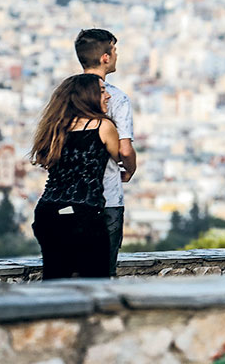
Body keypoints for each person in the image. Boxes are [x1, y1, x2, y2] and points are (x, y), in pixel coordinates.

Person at [29, 73, 119, 279]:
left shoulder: (56, 129)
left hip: (48, 213)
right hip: (83, 214)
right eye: (102, 91)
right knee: (96, 282)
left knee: (55, 280)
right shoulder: (102, 126)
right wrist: (129, 170)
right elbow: (122, 156)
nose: (108, 96)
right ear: (88, 96)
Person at [75, 28, 137, 277]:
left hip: (66, 198)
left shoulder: (66, 95)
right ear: (105, 57)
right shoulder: (117, 97)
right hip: (106, 197)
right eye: (115, 50)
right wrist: (130, 169)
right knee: (103, 273)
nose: (117, 56)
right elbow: (125, 149)